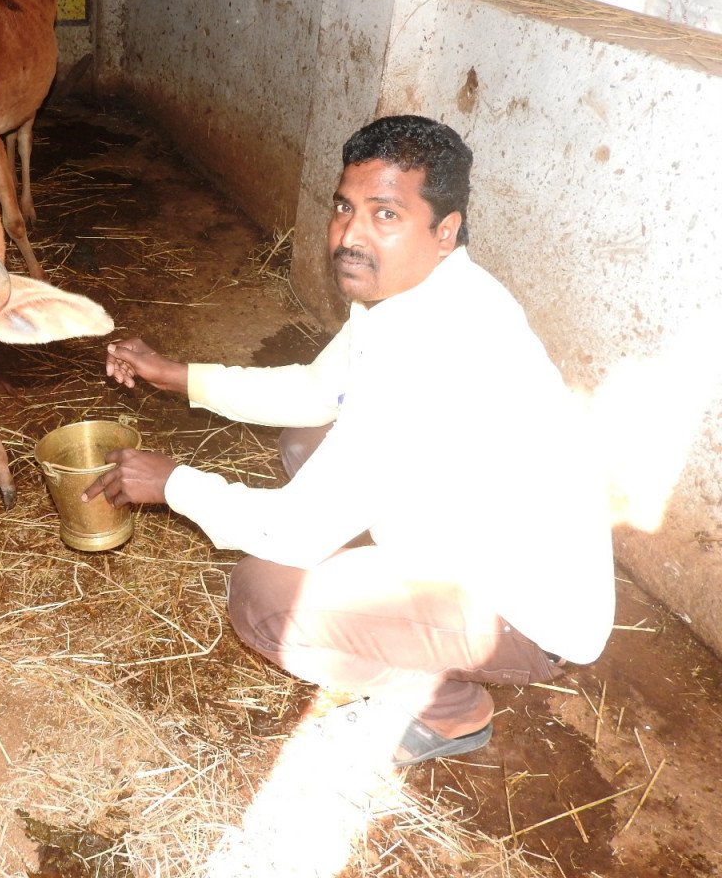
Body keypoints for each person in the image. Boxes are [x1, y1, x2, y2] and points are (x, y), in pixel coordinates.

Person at [82, 115, 614, 766]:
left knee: (266, 600)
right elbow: (315, 389)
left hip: (523, 615)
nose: (350, 236)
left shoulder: (443, 345)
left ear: (444, 230)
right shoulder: (413, 291)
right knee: (306, 441)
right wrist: (178, 376)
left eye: (385, 214)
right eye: (344, 208)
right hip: (472, 535)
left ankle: (446, 711)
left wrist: (173, 484)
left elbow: (296, 532)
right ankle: (389, 614)